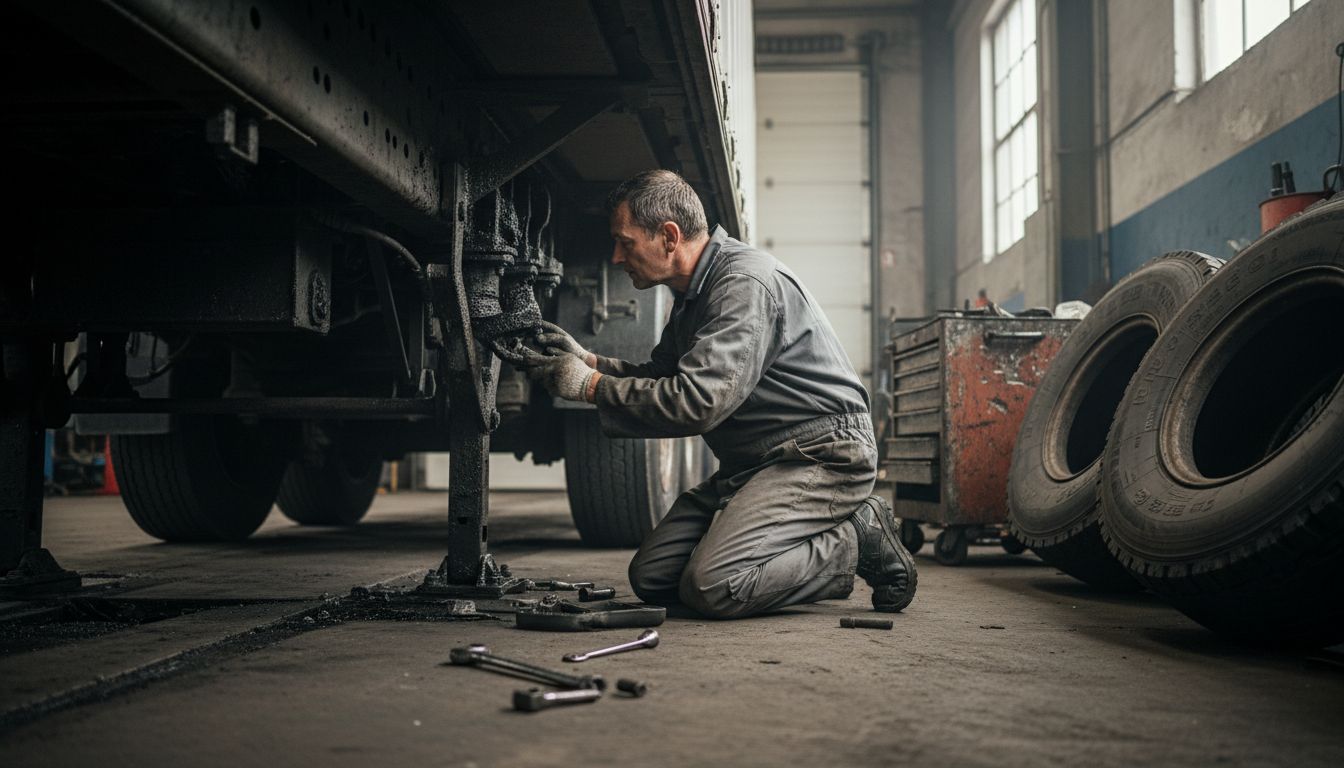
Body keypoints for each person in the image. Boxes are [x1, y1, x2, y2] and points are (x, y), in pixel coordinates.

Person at [528, 170, 916, 620]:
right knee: (653, 577)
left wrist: (590, 388)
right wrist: (591, 363)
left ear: (669, 237)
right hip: (755, 461)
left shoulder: (743, 285)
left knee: (713, 584)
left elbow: (697, 401)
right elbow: (662, 376)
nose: (616, 257)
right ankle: (791, 544)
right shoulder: (694, 294)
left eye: (625, 242)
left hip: (821, 454)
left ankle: (855, 537)